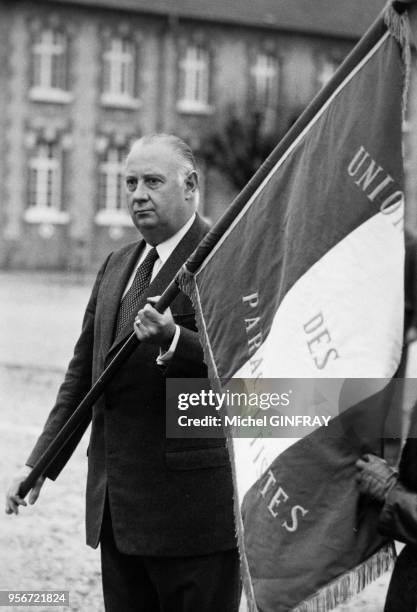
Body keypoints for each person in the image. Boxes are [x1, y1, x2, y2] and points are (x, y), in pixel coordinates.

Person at [5, 134, 240, 612]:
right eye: (129, 181)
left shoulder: (226, 258)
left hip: (194, 521)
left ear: (191, 185)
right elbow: (84, 376)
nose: (136, 193)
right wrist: (38, 466)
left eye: (152, 181)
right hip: (119, 514)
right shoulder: (117, 265)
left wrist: (177, 342)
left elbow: (253, 372)